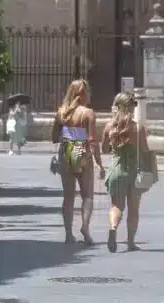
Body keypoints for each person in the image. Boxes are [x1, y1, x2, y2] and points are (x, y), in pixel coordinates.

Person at [51, 79, 104, 245]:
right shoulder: (88, 113)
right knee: (87, 195)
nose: (90, 96)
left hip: (66, 151)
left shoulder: (61, 112)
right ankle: (85, 230)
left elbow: (54, 138)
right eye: (88, 92)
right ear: (83, 94)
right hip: (81, 151)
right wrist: (99, 164)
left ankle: (68, 234)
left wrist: (68, 134)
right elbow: (93, 141)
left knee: (68, 196)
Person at [102, 92, 151, 253]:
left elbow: (104, 148)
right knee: (133, 209)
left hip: (116, 170)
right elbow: (145, 152)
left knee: (116, 206)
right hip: (133, 172)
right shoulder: (138, 128)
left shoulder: (109, 127)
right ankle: (130, 243)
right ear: (130, 108)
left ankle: (113, 228)